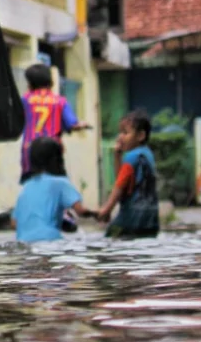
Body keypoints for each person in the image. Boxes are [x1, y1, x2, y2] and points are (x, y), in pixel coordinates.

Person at [11, 137, 95, 243]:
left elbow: (14, 223)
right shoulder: (61, 183)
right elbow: (81, 211)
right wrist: (97, 214)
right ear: (57, 159)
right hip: (50, 240)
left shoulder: (26, 186)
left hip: (23, 241)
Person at [20, 63, 91, 183]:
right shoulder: (60, 101)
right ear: (50, 81)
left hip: (30, 149)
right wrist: (83, 125)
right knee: (58, 182)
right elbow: (72, 124)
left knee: (31, 183)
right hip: (52, 149)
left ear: (30, 83)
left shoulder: (25, 100)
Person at [98, 110, 159, 238]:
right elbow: (124, 178)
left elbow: (120, 186)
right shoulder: (147, 155)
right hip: (151, 219)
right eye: (120, 132)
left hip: (131, 217)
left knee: (110, 238)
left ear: (140, 136)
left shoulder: (131, 157)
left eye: (125, 133)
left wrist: (107, 209)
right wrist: (117, 155)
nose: (120, 137)